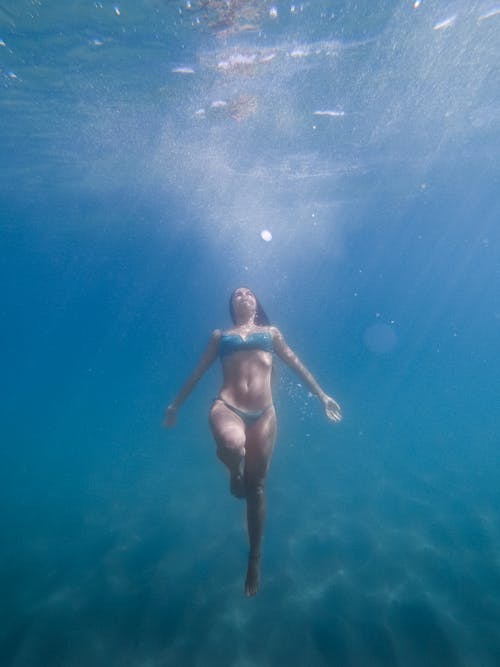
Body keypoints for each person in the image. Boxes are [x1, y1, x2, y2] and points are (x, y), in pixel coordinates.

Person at [164, 287, 342, 596]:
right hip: (227, 407)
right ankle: (234, 470)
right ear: (232, 305)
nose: (243, 295)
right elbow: (198, 372)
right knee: (233, 446)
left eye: (249, 292)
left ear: (256, 302)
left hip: (264, 413)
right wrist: (175, 404)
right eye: (237, 294)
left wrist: (322, 396)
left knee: (256, 488)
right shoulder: (221, 336)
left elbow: (297, 365)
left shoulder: (271, 333)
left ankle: (254, 558)